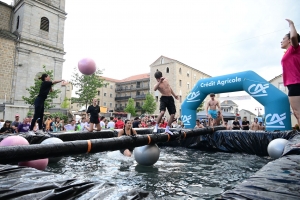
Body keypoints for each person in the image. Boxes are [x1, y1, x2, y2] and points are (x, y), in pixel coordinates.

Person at [281, 19, 300, 127]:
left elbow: (293, 37)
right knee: (298, 114)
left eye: (283, 38)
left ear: (289, 41)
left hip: (295, 83)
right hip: (293, 84)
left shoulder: (294, 48)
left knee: (298, 113)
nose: (281, 41)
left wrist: (291, 24)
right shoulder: (290, 52)